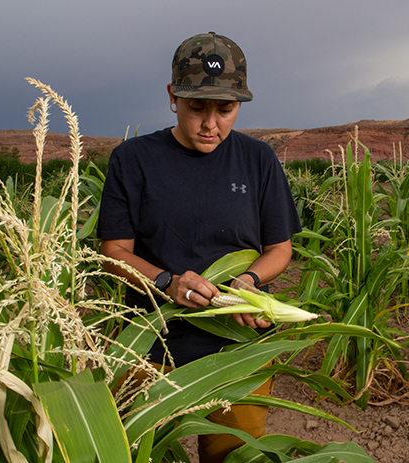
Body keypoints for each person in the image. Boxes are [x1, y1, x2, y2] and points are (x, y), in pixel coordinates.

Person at [97, 32, 302, 462]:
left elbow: (279, 249)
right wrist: (167, 281)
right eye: (197, 108)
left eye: (225, 110)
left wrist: (245, 282)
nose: (211, 124)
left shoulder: (258, 160)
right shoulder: (133, 161)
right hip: (153, 347)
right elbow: (114, 250)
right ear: (173, 96)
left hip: (239, 351)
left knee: (235, 457)